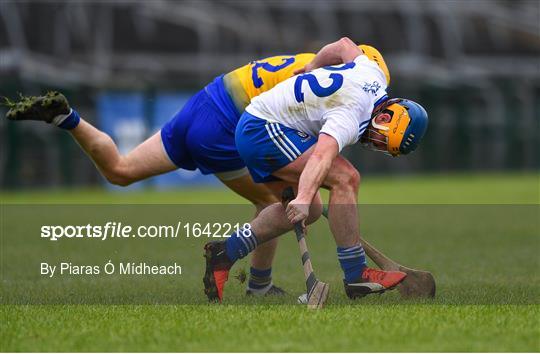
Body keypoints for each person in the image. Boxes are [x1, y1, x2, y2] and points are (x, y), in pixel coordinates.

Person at [4, 38, 390, 298]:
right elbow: (315, 153)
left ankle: (67, 118)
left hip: (202, 104)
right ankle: (256, 285)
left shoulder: (320, 66)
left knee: (119, 171)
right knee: (282, 204)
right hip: (224, 128)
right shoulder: (337, 86)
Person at [203, 39, 429, 302]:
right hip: (263, 129)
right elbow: (321, 155)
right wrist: (302, 195)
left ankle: (224, 254)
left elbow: (344, 45)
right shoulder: (350, 113)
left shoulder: (372, 73)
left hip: (263, 124)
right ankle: (356, 274)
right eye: (382, 139)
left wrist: (313, 65)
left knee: (309, 212)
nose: (374, 144)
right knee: (346, 178)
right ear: (384, 117)